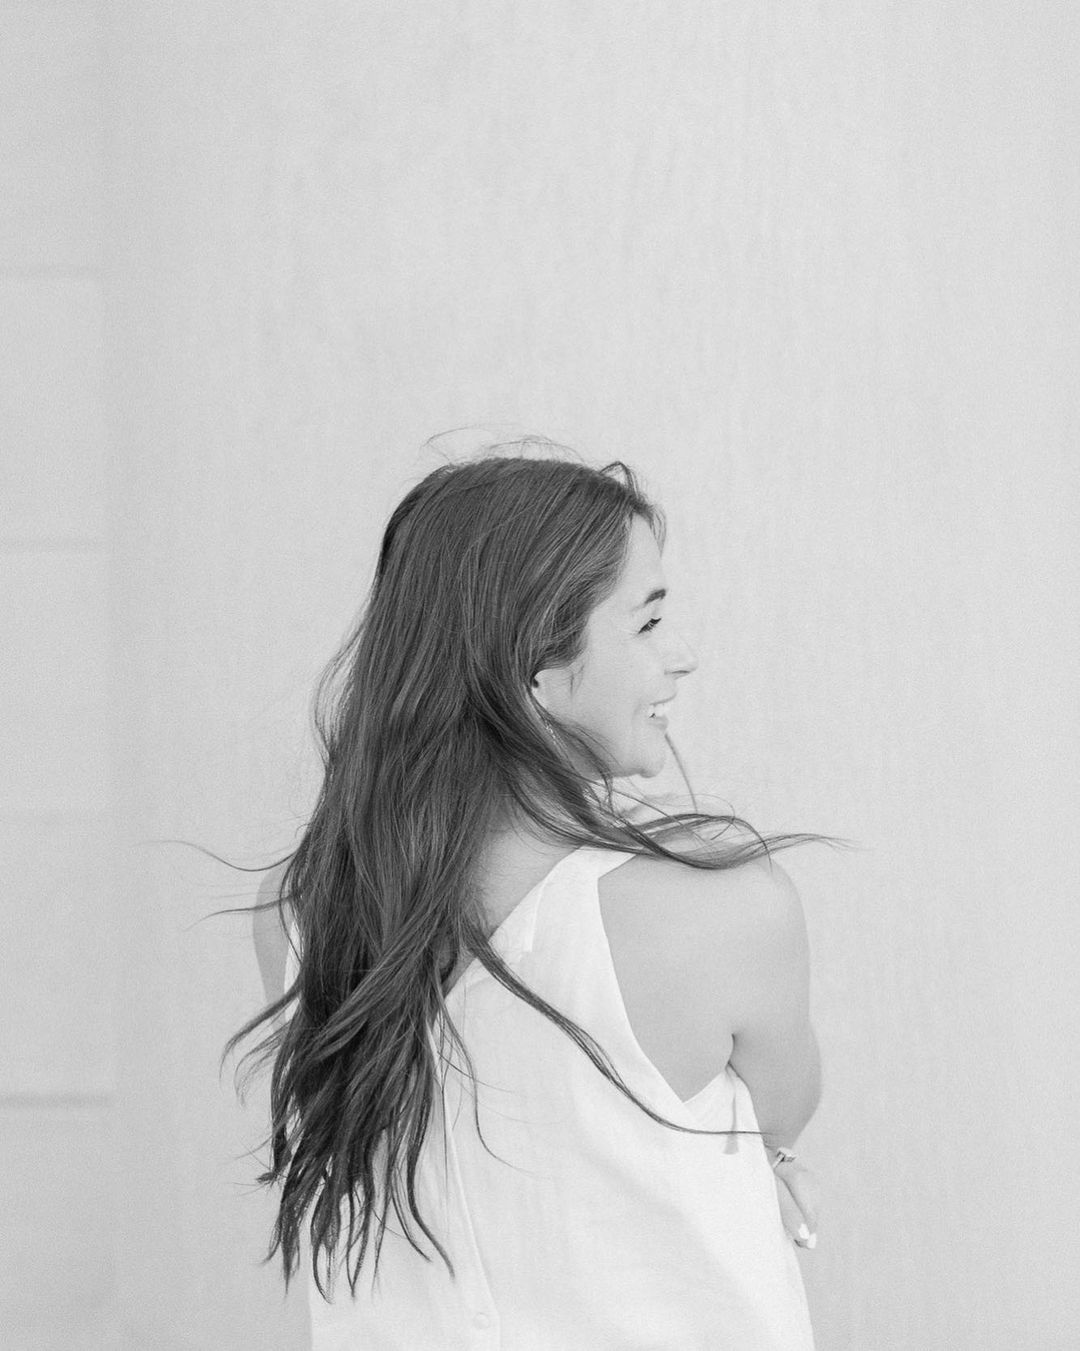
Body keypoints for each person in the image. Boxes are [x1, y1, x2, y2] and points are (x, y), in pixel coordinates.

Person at [230, 440, 843, 1349]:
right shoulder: (722, 913)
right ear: (537, 674)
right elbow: (772, 1122)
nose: (682, 656)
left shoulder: (299, 916)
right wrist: (763, 1163)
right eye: (646, 622)